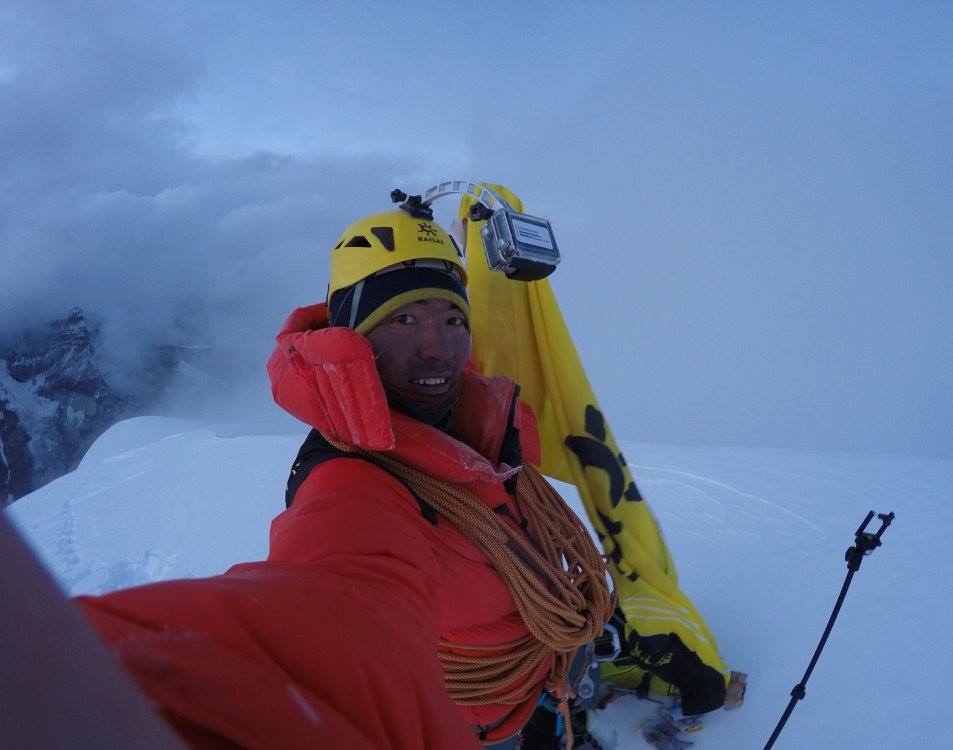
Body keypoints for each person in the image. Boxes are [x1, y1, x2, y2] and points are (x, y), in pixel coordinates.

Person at [69, 206, 615, 749]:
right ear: (351, 336)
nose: (438, 347)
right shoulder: (352, 484)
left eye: (453, 319)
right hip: (474, 724)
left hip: (541, 669)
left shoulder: (482, 420)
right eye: (404, 319)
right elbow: (327, 613)